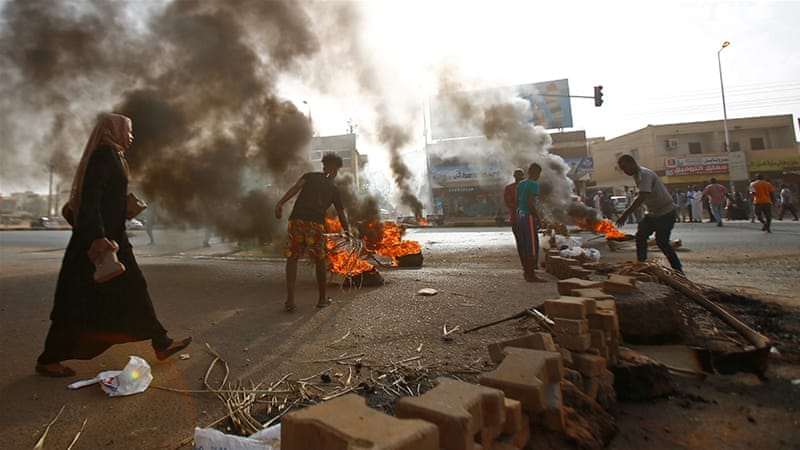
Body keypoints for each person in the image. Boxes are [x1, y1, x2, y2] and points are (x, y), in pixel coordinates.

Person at [36, 113, 191, 378]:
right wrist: (97, 237)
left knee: (135, 289)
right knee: (75, 301)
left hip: (115, 239)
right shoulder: (104, 155)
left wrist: (125, 209)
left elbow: (106, 199)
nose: (131, 137)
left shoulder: (116, 156)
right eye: (128, 131)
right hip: (96, 244)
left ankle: (161, 342)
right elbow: (91, 199)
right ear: (113, 130)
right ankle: (49, 359)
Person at [275, 152, 350, 311]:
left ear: (324, 166)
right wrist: (347, 231)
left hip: (297, 221)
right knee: (320, 260)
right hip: (315, 225)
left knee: (292, 258)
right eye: (336, 169)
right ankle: (322, 299)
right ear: (335, 169)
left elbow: (295, 189)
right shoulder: (334, 189)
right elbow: (342, 214)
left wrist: (280, 203)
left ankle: (290, 301)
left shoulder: (310, 176)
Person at [615, 155, 683, 274]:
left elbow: (642, 196)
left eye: (625, 168)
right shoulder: (637, 175)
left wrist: (625, 214)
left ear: (632, 163)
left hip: (665, 212)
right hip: (653, 213)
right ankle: (641, 264)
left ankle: (678, 270)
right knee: (641, 236)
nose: (624, 171)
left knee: (662, 242)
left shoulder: (644, 174)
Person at [515, 162, 547, 282]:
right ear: (537, 173)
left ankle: (527, 272)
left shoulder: (520, 184)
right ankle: (531, 275)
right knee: (532, 245)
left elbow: (518, 200)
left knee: (525, 244)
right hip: (528, 215)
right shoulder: (534, 184)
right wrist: (539, 218)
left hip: (519, 214)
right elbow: (530, 203)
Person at [503, 168, 526, 268]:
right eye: (517, 175)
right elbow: (508, 203)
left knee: (528, 241)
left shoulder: (527, 186)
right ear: (514, 176)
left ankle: (530, 262)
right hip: (516, 219)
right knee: (520, 241)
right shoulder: (509, 188)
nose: (519, 177)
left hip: (527, 219)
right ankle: (524, 263)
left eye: (521, 175)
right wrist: (519, 209)